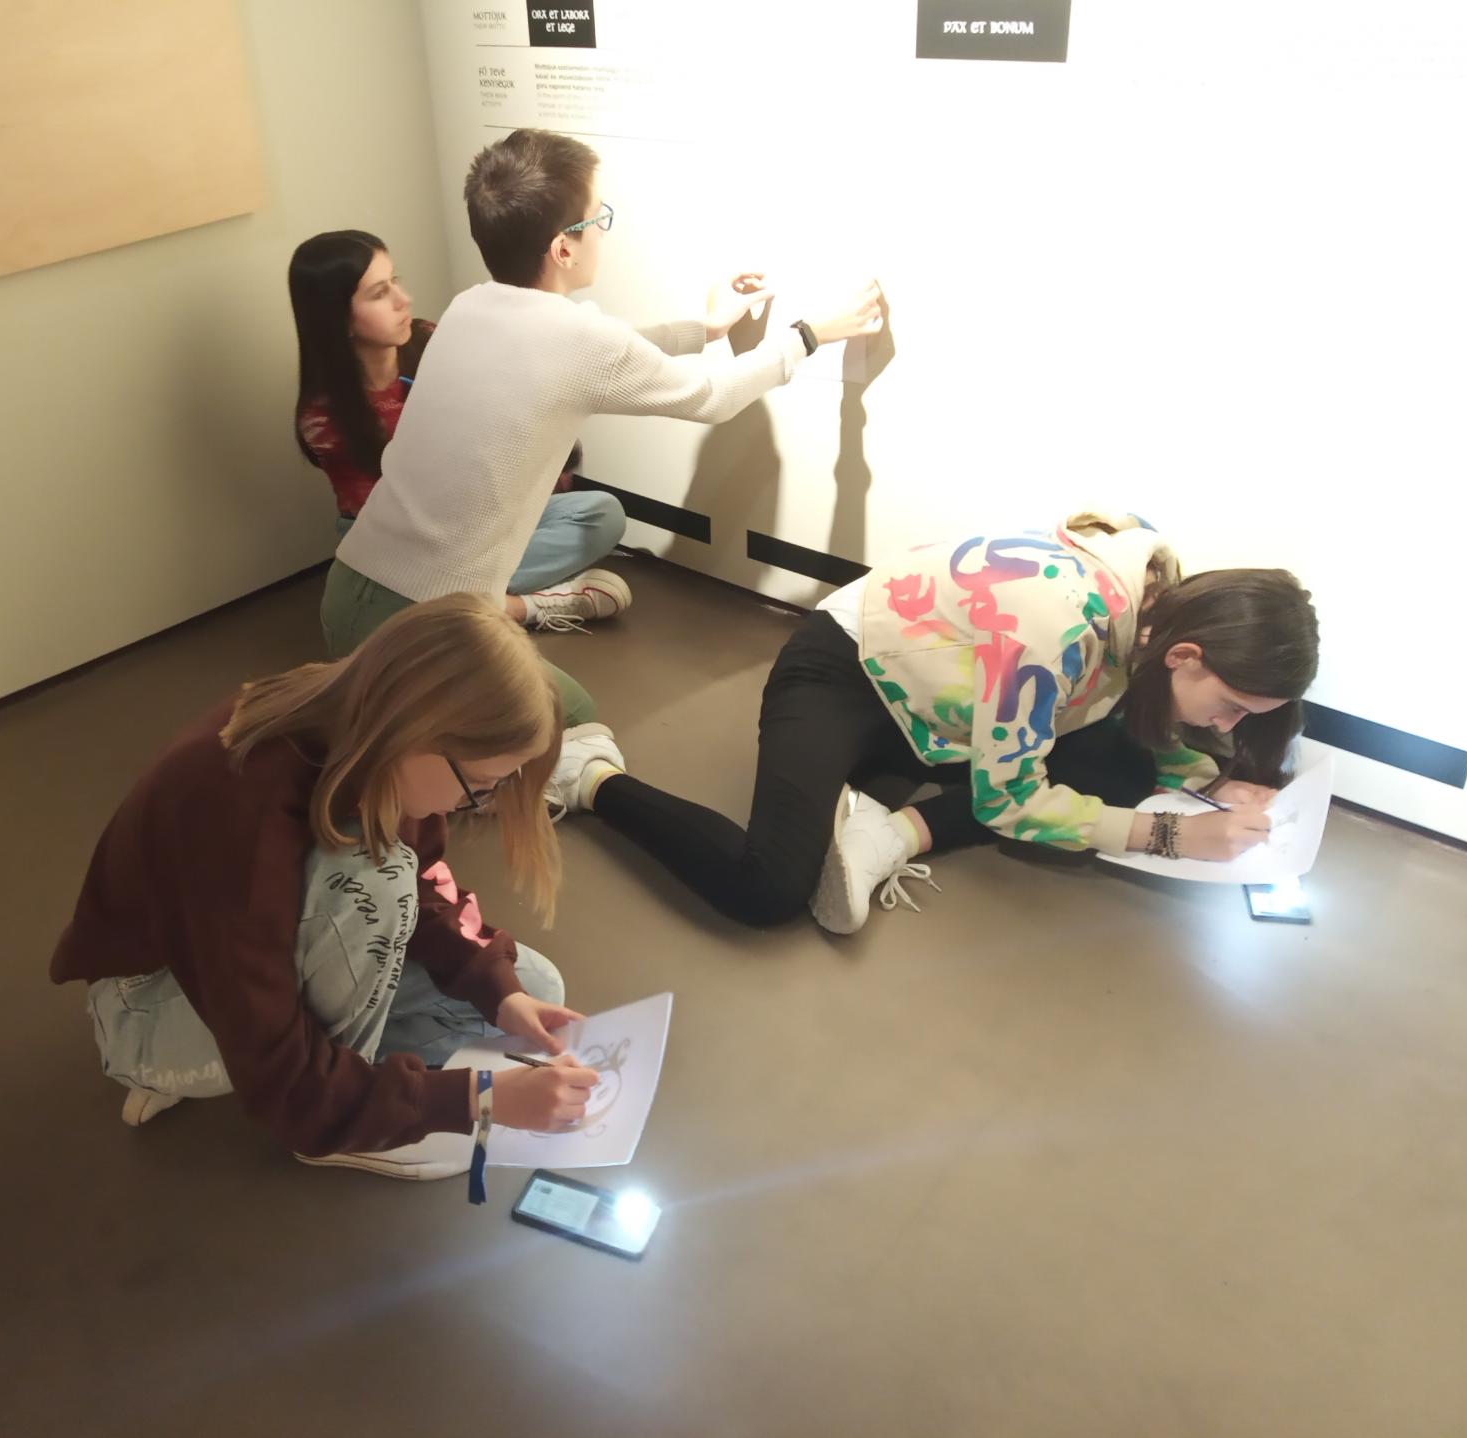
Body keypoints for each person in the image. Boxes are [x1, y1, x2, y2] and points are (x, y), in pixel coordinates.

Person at [320, 128, 887, 727]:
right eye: (598, 218)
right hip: (420, 625)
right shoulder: (576, 340)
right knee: (570, 719)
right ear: (563, 248)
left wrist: (708, 329)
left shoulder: (469, 307)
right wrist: (808, 336)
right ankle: (475, 654)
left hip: (348, 585)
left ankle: (485, 634)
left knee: (597, 515)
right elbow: (711, 397)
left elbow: (599, 353)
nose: (602, 232)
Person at [545, 513, 1321, 932]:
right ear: (1186, 654)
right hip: (844, 671)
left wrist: (1208, 783)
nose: (1225, 724)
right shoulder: (1061, 625)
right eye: (1231, 708)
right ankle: (591, 778)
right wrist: (1175, 834)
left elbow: (1136, 702)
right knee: (767, 887)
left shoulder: (1160, 602)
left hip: (944, 698)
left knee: (1122, 774)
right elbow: (1008, 802)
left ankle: (884, 834)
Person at [49, 594, 600, 1176]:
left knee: (529, 987)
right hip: (146, 1010)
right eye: (480, 786)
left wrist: (497, 990)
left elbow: (424, 882)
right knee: (374, 887)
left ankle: (355, 1085)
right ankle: (343, 1130)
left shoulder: (369, 726)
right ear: (418, 733)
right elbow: (286, 1083)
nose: (476, 804)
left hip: (266, 947)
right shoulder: (234, 810)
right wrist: (475, 1100)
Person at [289, 229, 626, 630]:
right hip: (402, 542)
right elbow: (410, 517)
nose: (403, 299)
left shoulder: (429, 339)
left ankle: (459, 606)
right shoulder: (324, 419)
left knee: (601, 514)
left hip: (470, 519)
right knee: (411, 584)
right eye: (379, 294)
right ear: (338, 319)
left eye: (395, 280)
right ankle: (520, 608)